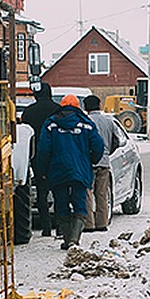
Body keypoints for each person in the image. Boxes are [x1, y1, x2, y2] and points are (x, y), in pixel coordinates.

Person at [35, 94, 104, 249]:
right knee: (80, 203)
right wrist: (91, 160)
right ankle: (74, 239)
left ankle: (67, 239)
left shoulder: (51, 124)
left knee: (61, 203)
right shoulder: (86, 123)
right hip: (80, 169)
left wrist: (43, 169)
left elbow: (44, 149)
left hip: (58, 169)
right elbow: (98, 145)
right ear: (77, 107)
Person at [21, 82, 61, 236]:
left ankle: (46, 227)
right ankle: (59, 225)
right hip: (56, 156)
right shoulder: (58, 111)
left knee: (42, 192)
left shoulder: (29, 112)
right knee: (59, 192)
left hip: (36, 156)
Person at [82, 94, 121, 232]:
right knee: (102, 194)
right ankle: (102, 223)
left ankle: (89, 224)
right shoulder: (109, 121)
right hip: (104, 163)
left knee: (87, 193)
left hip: (88, 163)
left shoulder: (85, 121)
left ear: (85, 108)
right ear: (99, 105)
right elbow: (117, 140)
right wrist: (107, 152)